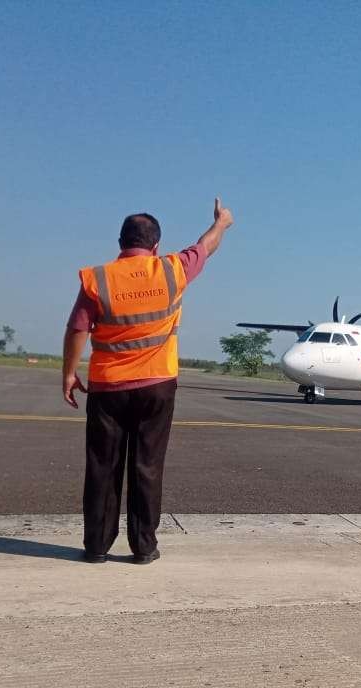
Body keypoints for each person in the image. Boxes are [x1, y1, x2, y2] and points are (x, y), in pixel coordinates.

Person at [62, 199, 234, 563]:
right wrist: (222, 224)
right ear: (156, 244)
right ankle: (143, 548)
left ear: (121, 243)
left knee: (102, 467)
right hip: (157, 385)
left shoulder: (100, 278)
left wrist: (69, 372)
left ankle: (95, 547)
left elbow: (78, 326)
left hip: (108, 387)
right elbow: (205, 246)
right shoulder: (172, 270)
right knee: (147, 465)